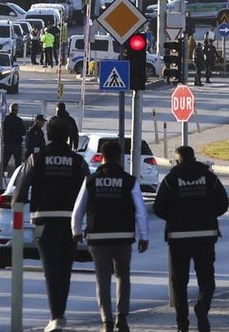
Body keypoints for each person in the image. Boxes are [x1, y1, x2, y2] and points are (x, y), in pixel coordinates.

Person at [16, 116, 90, 332]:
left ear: (48, 135)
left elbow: (21, 189)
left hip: (43, 219)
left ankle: (56, 316)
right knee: (65, 268)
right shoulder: (77, 161)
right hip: (70, 220)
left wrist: (17, 205)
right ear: (68, 136)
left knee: (50, 268)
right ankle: (61, 313)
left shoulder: (36, 159)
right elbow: (88, 189)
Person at [72, 140, 150, 332]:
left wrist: (76, 231)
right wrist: (144, 236)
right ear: (120, 158)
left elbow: (78, 209)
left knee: (102, 278)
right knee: (123, 276)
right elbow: (140, 210)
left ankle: (106, 321)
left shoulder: (90, 180)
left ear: (102, 157)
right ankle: (121, 317)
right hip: (123, 237)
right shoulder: (130, 181)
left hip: (98, 238)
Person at [153, 146, 229, 332]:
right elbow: (223, 203)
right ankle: (202, 306)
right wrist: (210, 216)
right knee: (207, 278)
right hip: (205, 235)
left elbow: (158, 207)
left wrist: (174, 218)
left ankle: (182, 324)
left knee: (179, 284)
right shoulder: (209, 177)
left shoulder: (171, 179)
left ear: (177, 160)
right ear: (194, 158)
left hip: (178, 237)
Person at [1, 102, 27, 177]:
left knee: (4, 163)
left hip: (7, 144)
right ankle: (18, 179)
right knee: (18, 164)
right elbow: (23, 132)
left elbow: (3, 131)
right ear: (16, 110)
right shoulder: (18, 120)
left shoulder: (5, 119)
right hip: (16, 144)